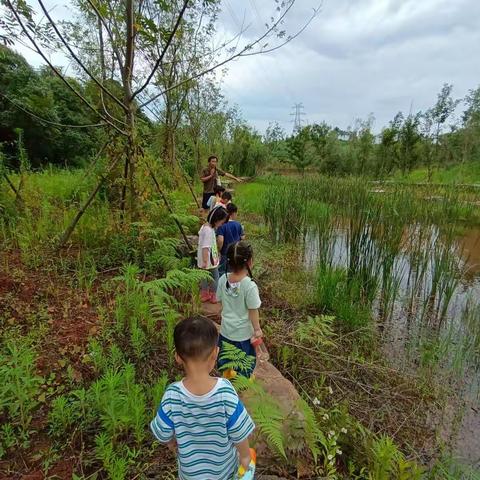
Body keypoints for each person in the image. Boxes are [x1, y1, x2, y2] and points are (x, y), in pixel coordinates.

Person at [150, 315, 255, 480]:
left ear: (177, 356)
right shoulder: (225, 393)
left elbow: (162, 433)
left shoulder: (171, 396)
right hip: (224, 472)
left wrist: (172, 443)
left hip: (189, 474)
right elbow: (239, 432)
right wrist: (245, 456)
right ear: (215, 353)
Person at [216, 241, 262, 378]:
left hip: (225, 330)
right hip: (243, 334)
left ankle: (228, 374)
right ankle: (242, 380)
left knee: (226, 356)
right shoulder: (249, 286)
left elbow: (219, 301)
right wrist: (257, 329)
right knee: (245, 360)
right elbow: (253, 310)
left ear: (228, 262)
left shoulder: (223, 279)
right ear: (250, 262)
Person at [198, 207, 229, 303]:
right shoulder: (208, 231)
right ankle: (213, 295)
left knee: (204, 276)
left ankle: (204, 294)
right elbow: (206, 247)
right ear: (216, 220)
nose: (221, 225)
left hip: (205, 258)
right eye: (221, 222)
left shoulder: (205, 227)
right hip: (209, 259)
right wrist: (206, 261)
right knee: (215, 276)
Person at [217, 203, 245, 276]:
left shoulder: (222, 224)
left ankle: (222, 286)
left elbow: (220, 240)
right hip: (235, 253)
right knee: (233, 273)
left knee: (222, 273)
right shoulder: (238, 224)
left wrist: (218, 250)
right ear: (234, 213)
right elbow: (242, 237)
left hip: (224, 253)